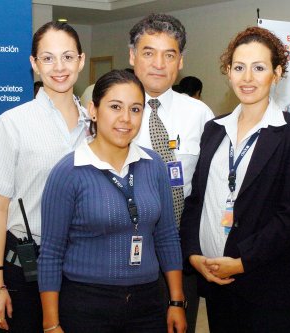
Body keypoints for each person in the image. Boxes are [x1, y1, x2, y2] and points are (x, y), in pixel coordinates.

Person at [180, 26, 290, 333]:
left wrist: (242, 261)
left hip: (271, 288)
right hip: (218, 284)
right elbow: (196, 200)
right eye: (239, 67)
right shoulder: (214, 129)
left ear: (277, 73)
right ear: (228, 72)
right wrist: (192, 254)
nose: (247, 77)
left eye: (259, 68)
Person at [38, 69, 187, 333]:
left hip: (149, 303)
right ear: (93, 110)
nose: (125, 119)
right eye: (115, 107)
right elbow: (51, 253)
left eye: (135, 109)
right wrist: (51, 324)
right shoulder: (68, 172)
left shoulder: (154, 166)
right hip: (87, 305)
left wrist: (176, 301)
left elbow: (166, 237)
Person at [0, 21, 87, 332]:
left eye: (67, 56)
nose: (59, 67)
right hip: (25, 268)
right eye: (47, 58)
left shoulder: (96, 126)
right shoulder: (13, 123)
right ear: (34, 64)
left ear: (81, 60)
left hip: (82, 267)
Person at [128, 13, 213, 333]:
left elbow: (209, 188)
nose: (158, 64)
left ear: (180, 61)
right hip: (123, 250)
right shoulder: (110, 108)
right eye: (148, 53)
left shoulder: (199, 115)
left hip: (180, 250)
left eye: (169, 54)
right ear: (133, 56)